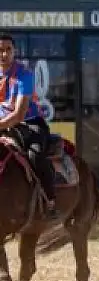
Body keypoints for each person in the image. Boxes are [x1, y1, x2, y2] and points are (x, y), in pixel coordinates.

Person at [0, 33, 57, 219]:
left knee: (35, 155)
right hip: (3, 126)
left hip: (30, 125)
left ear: (14, 51)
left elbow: (19, 114)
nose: (4, 54)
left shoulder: (25, 75)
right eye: (0, 50)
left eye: (8, 50)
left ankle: (50, 201)